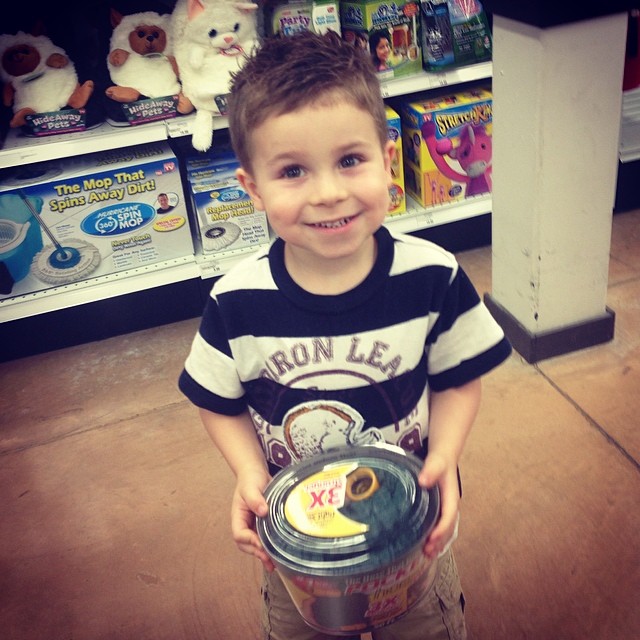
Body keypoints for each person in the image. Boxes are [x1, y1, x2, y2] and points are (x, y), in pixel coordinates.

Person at [179, 31, 511, 640]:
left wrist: (444, 455)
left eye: (350, 160)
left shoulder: (432, 276)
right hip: (300, 550)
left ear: (388, 157)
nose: (329, 193)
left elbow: (459, 380)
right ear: (253, 188)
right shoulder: (236, 302)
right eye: (292, 171)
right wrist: (248, 472)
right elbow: (216, 400)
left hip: (409, 531)